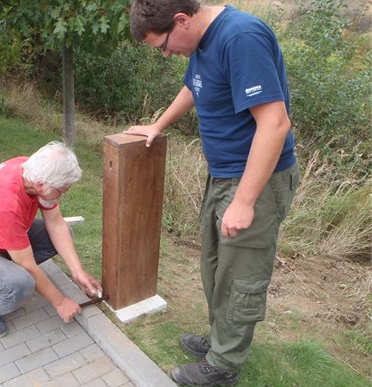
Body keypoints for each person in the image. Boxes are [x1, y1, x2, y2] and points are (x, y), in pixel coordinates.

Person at [126, 1, 299, 385]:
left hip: (255, 182)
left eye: (164, 47)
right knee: (217, 269)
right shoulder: (203, 42)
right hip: (224, 176)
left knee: (241, 276)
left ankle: (223, 366)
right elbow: (195, 85)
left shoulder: (240, 37)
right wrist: (158, 124)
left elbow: (275, 124)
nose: (167, 55)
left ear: (181, 20)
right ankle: (220, 341)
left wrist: (245, 201)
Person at [0, 141, 102, 338]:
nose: (62, 195)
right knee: (21, 284)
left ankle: (1, 273)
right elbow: (28, 265)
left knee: (64, 232)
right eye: (61, 191)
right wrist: (60, 302)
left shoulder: (30, 169)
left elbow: (56, 224)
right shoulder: (4, 204)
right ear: (41, 185)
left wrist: (77, 271)